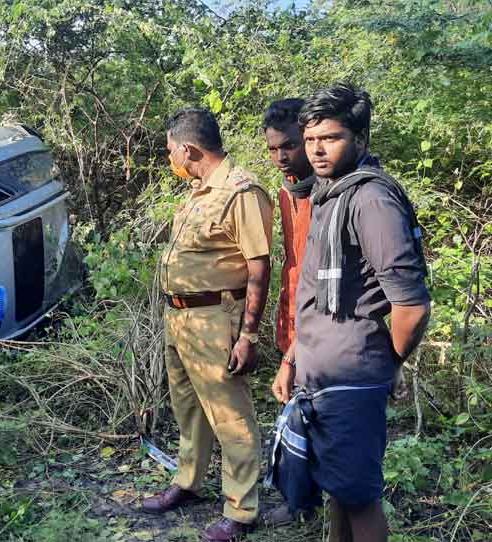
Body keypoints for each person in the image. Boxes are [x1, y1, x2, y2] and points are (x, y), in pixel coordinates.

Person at [268, 83, 430, 542]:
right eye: (311, 139)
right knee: (339, 489)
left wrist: (390, 362)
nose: (317, 150)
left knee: (359, 498)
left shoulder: (370, 200)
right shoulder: (329, 193)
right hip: (320, 372)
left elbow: (411, 305)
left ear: (360, 138)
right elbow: (317, 295)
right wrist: (293, 358)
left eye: (331, 138)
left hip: (351, 376)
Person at [141, 108, 273, 542]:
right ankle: (188, 481)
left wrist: (248, 334)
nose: (170, 158)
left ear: (188, 149)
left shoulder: (242, 192)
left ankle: (240, 510)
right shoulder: (199, 192)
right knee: (189, 410)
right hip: (179, 319)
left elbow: (259, 266)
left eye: (169, 151)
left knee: (230, 416)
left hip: (216, 319)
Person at [261, 98, 317, 526]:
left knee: (318, 411)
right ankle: (301, 500)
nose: (282, 156)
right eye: (274, 149)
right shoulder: (287, 191)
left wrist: (293, 352)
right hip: (293, 313)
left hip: (321, 326)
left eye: (290, 146)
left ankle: (312, 501)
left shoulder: (330, 192)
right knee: (297, 411)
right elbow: (293, 261)